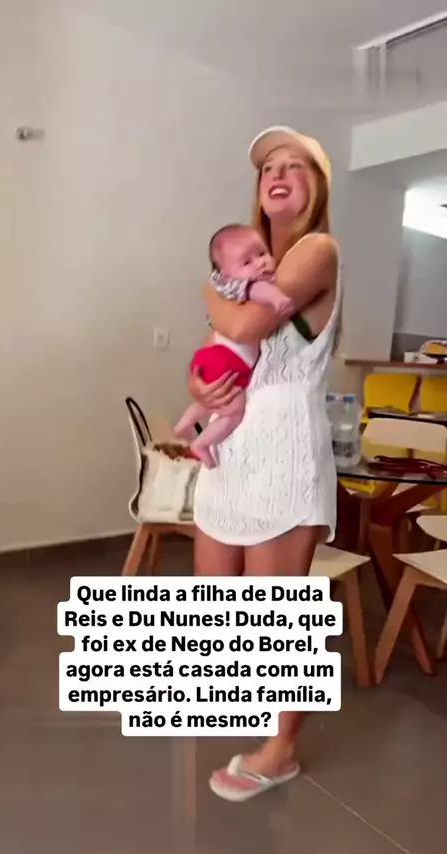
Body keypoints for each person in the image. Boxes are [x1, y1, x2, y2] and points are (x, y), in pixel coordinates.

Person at [189, 125, 341, 802]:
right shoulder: (246, 274)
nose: (278, 174)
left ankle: (280, 751)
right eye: (268, 167)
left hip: (283, 445)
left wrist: (208, 289)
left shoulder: (317, 251)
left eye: (295, 166)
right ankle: (254, 710)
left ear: (318, 187)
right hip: (232, 449)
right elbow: (218, 353)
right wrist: (200, 390)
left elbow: (244, 327)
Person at [174, 223, 293, 467]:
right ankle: (201, 444)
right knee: (234, 412)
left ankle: (184, 423)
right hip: (230, 360)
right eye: (247, 262)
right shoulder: (245, 287)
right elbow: (257, 290)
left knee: (212, 398)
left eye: (262, 253)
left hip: (211, 355)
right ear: (226, 276)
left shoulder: (226, 291)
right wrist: (277, 297)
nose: (259, 263)